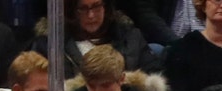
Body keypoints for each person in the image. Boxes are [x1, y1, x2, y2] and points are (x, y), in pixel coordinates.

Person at [30, 0, 161, 77]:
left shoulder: (131, 37)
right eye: (83, 8)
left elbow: (154, 78)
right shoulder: (50, 44)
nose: (91, 15)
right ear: (72, 11)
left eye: (96, 6)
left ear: (106, 7)